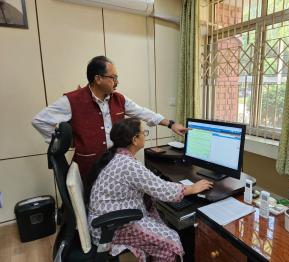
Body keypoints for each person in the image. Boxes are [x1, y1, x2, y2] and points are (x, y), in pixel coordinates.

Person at [32, 56, 187, 177]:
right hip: (88, 169)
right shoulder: (72, 100)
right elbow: (40, 121)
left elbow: (143, 112)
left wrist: (171, 124)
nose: (116, 82)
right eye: (113, 77)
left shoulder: (118, 98)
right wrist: (67, 142)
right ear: (98, 79)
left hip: (114, 165)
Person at [86, 118, 213, 261]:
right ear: (135, 139)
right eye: (143, 133)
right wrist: (192, 188)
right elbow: (162, 189)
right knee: (171, 240)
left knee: (162, 226)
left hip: (105, 221)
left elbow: (151, 184)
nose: (145, 135)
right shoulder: (128, 164)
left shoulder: (117, 155)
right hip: (112, 227)